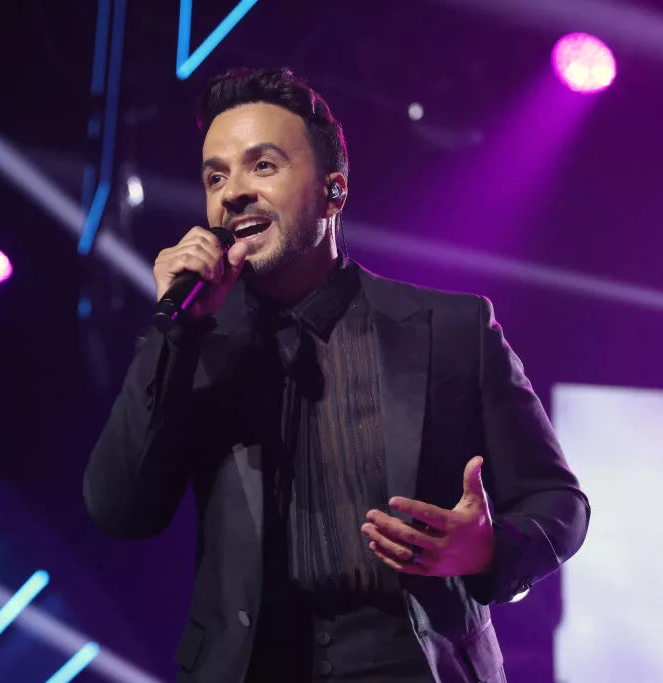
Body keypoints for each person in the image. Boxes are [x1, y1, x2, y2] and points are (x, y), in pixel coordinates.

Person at [83, 67, 589, 683]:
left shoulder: (451, 328)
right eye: (216, 176)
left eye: (262, 165)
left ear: (334, 192)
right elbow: (120, 510)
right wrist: (176, 333)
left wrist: (488, 549)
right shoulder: (196, 343)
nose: (232, 193)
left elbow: (558, 501)